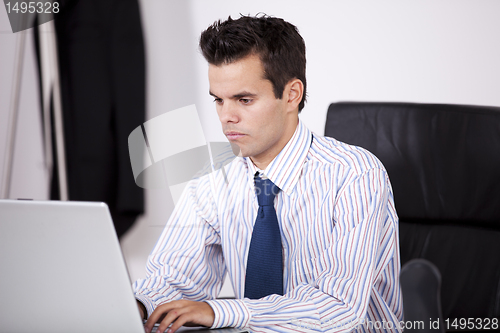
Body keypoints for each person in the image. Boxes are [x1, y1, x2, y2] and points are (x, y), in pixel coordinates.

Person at [134, 14, 403, 333]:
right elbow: (173, 280)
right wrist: (136, 305)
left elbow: (338, 307)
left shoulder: (355, 175)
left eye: (244, 100)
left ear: (292, 95)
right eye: (218, 100)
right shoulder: (211, 178)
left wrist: (224, 312)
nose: (226, 117)